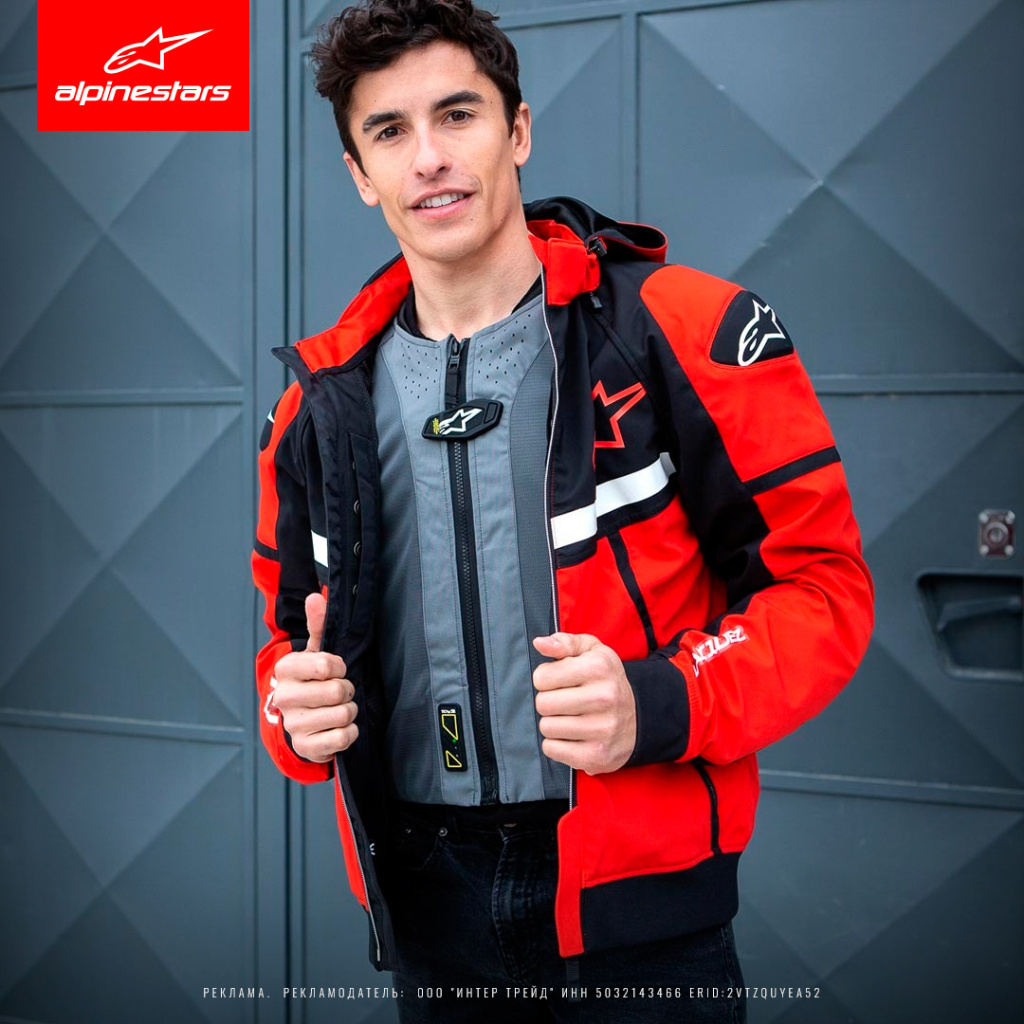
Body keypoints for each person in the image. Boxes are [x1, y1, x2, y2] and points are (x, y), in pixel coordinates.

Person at [251, 0, 874, 1020]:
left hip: (642, 918)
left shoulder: (684, 329)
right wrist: (294, 713)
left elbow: (823, 591)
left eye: (458, 115)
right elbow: (287, 643)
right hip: (425, 908)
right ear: (360, 174)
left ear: (519, 131)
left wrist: (661, 700)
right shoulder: (317, 407)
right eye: (390, 132)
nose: (429, 158)